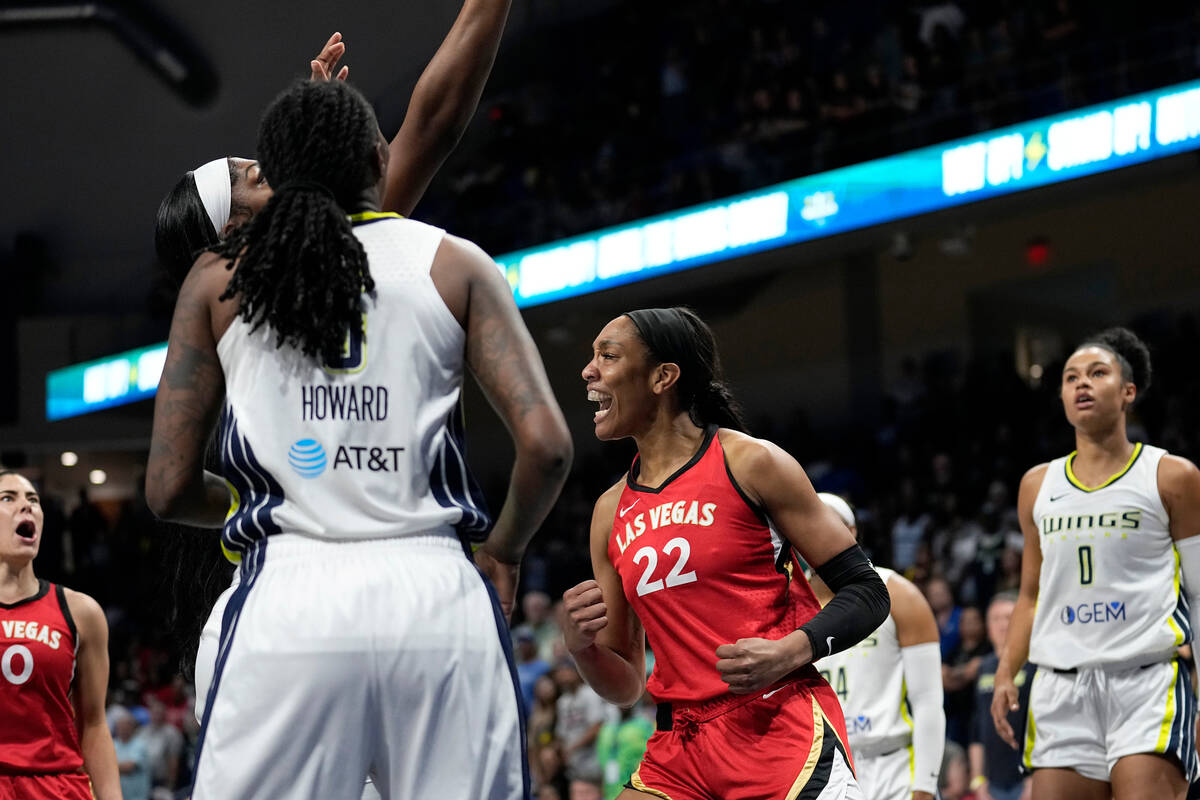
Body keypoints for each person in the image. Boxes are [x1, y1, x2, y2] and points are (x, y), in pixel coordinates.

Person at [145, 78, 572, 799]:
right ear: (379, 157)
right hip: (438, 599)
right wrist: (503, 550)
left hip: (289, 602)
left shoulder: (218, 279)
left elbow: (167, 488)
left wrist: (274, 494)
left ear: (273, 179)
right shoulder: (453, 261)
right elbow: (548, 447)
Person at [561, 307, 890, 800]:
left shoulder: (751, 461)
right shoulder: (609, 511)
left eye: (607, 356)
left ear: (662, 377)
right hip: (680, 747)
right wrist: (581, 647)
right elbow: (626, 684)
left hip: (776, 723)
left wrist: (788, 651)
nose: (589, 371)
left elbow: (867, 591)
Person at [155, 0, 513, 282]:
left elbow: (432, 126)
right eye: (263, 177)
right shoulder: (328, 264)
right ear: (236, 235)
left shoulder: (338, 247)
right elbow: (431, 128)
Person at [991, 327, 1200, 800]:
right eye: (1070, 377)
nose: (1081, 384)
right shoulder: (1036, 485)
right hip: (1060, 689)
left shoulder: (1172, 476)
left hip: (1146, 683)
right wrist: (1007, 671)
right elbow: (1030, 594)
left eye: (1097, 373)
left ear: (1129, 391)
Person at [812, 492, 946, 800]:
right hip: (822, 768)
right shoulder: (786, 602)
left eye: (827, 522)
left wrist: (924, 785)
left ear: (852, 532)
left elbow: (927, 701)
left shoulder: (899, 594)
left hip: (892, 766)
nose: (815, 531)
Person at [0, 470, 121, 800]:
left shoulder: (81, 612)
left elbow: (94, 725)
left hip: (57, 788)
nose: (26, 507)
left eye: (33, 500)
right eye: (8, 498)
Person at [970, 592, 1033, 800]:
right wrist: (978, 779)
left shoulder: (1036, 664)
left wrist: (1035, 776)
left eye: (1009, 618)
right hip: (992, 783)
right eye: (996, 619)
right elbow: (978, 727)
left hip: (1028, 778)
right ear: (987, 628)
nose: (1002, 625)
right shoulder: (984, 668)